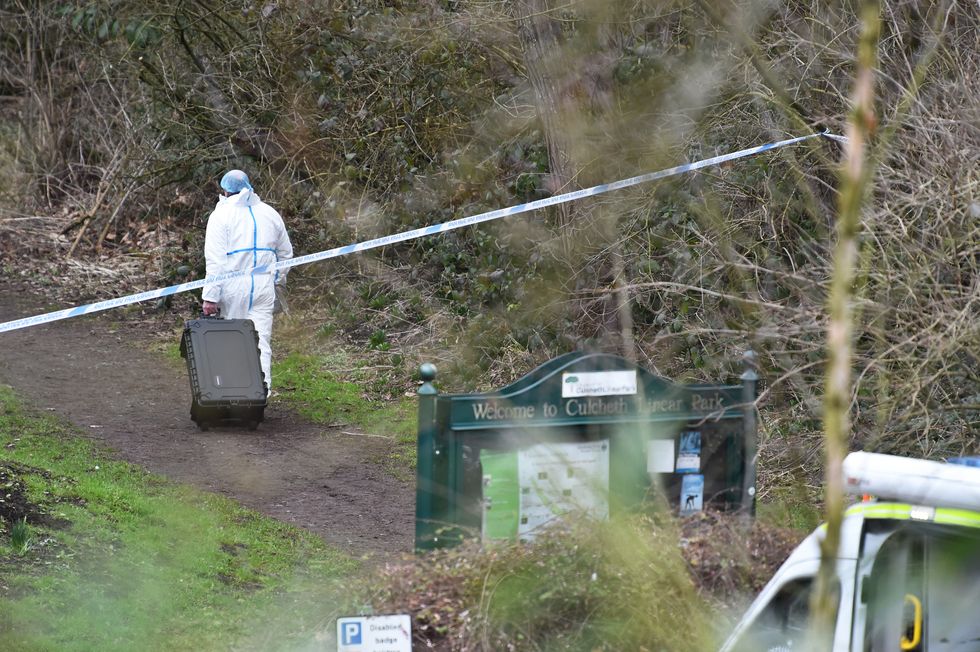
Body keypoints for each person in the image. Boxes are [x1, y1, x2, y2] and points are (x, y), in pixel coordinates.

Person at [201, 170, 293, 395]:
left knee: (232, 342)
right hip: (263, 288)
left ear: (225, 190)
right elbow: (286, 253)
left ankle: (233, 394)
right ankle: (262, 393)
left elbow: (216, 261)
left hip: (233, 289)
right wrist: (277, 282)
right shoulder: (270, 213)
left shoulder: (221, 216)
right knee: (261, 342)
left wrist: (210, 296)